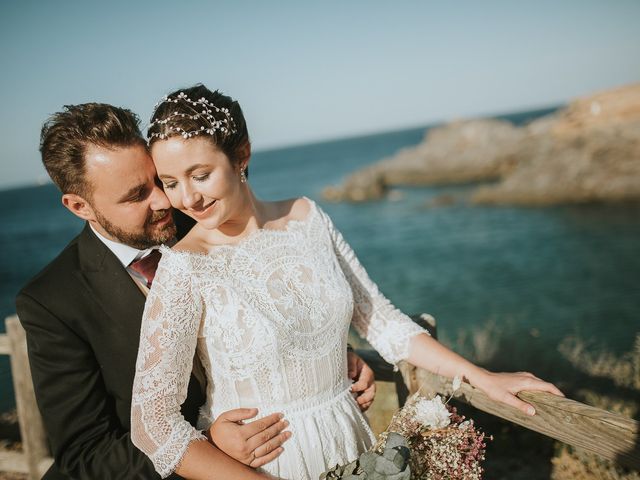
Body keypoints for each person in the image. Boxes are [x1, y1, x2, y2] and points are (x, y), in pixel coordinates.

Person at [130, 84, 564, 480]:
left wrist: (481, 376)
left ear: (241, 154)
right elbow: (151, 424)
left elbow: (380, 319)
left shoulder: (307, 218)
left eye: (200, 175)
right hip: (266, 466)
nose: (188, 199)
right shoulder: (184, 268)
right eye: (171, 183)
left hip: (349, 441)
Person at [15, 102, 376, 479]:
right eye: (136, 195)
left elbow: (269, 296)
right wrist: (205, 442)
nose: (165, 201)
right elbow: (86, 455)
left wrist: (331, 352)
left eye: (159, 181)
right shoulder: (52, 301)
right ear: (79, 206)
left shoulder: (205, 216)